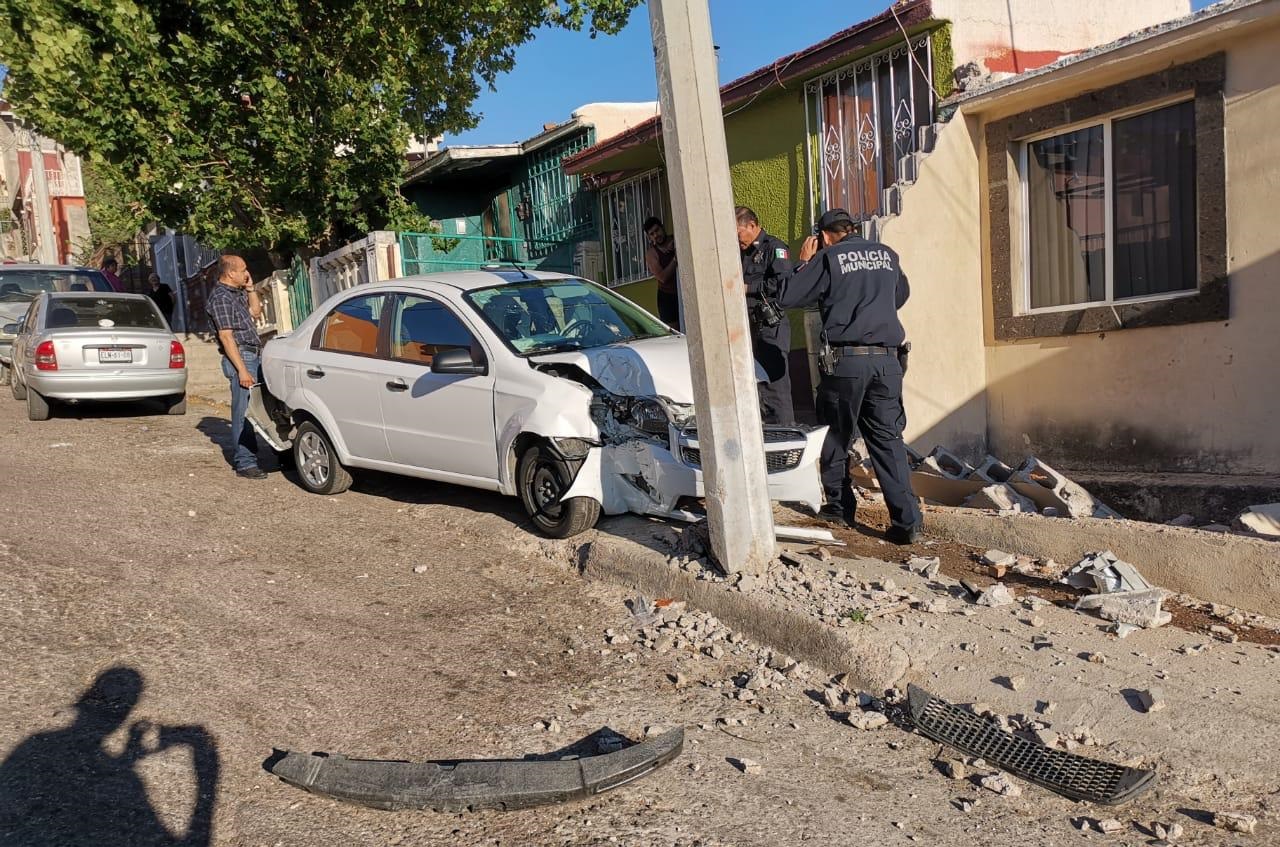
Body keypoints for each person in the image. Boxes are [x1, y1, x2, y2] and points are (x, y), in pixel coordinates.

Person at [776, 208, 922, 544]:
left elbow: (790, 296)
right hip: (888, 362)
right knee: (887, 441)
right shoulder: (887, 254)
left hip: (847, 363)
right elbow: (900, 295)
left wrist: (805, 263)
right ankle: (907, 521)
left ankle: (840, 507)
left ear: (825, 235)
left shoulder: (830, 258)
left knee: (835, 435)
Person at [206, 254, 266, 479]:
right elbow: (226, 336)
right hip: (240, 356)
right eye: (243, 270)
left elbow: (256, 313)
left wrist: (251, 290)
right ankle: (245, 462)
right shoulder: (220, 298)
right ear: (231, 273)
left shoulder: (236, 293)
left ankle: (256, 455)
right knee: (242, 410)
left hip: (253, 353)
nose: (246, 273)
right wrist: (242, 370)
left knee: (257, 407)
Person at [736, 206, 795, 426]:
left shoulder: (774, 248)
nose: (737, 240)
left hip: (771, 326)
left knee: (775, 385)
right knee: (757, 384)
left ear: (752, 225)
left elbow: (782, 284)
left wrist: (748, 288)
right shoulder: (741, 253)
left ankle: (785, 431)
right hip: (749, 327)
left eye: (739, 233)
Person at [643, 217, 681, 329]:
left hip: (684, 291)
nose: (656, 235)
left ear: (662, 228)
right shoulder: (651, 254)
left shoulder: (676, 240)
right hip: (668, 297)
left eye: (657, 230)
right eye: (652, 234)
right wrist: (675, 259)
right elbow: (662, 277)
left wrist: (676, 246)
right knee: (676, 333)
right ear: (649, 237)